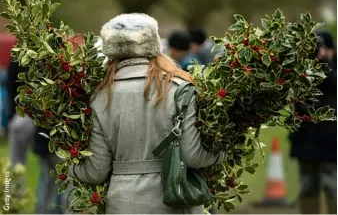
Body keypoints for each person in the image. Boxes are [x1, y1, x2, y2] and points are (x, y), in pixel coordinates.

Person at [69, 13, 225, 214]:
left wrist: (69, 165)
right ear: (154, 45)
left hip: (123, 203)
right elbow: (193, 156)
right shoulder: (179, 88)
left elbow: (96, 171)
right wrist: (223, 150)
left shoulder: (99, 97)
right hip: (174, 201)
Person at [288, 30, 337, 214]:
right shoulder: (302, 69)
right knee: (307, 187)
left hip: (330, 139)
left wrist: (326, 63)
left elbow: (333, 83)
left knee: (332, 187)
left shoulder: (333, 68)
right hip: (306, 138)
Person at [6, 59, 35, 167]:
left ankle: (12, 183)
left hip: (39, 118)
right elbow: (10, 86)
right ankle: (12, 184)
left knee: (16, 163)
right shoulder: (17, 58)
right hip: (22, 115)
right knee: (16, 163)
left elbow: (9, 85)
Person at [33, 127, 63, 214]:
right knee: (62, 181)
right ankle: (55, 210)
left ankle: (42, 210)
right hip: (56, 146)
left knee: (46, 180)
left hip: (42, 143)